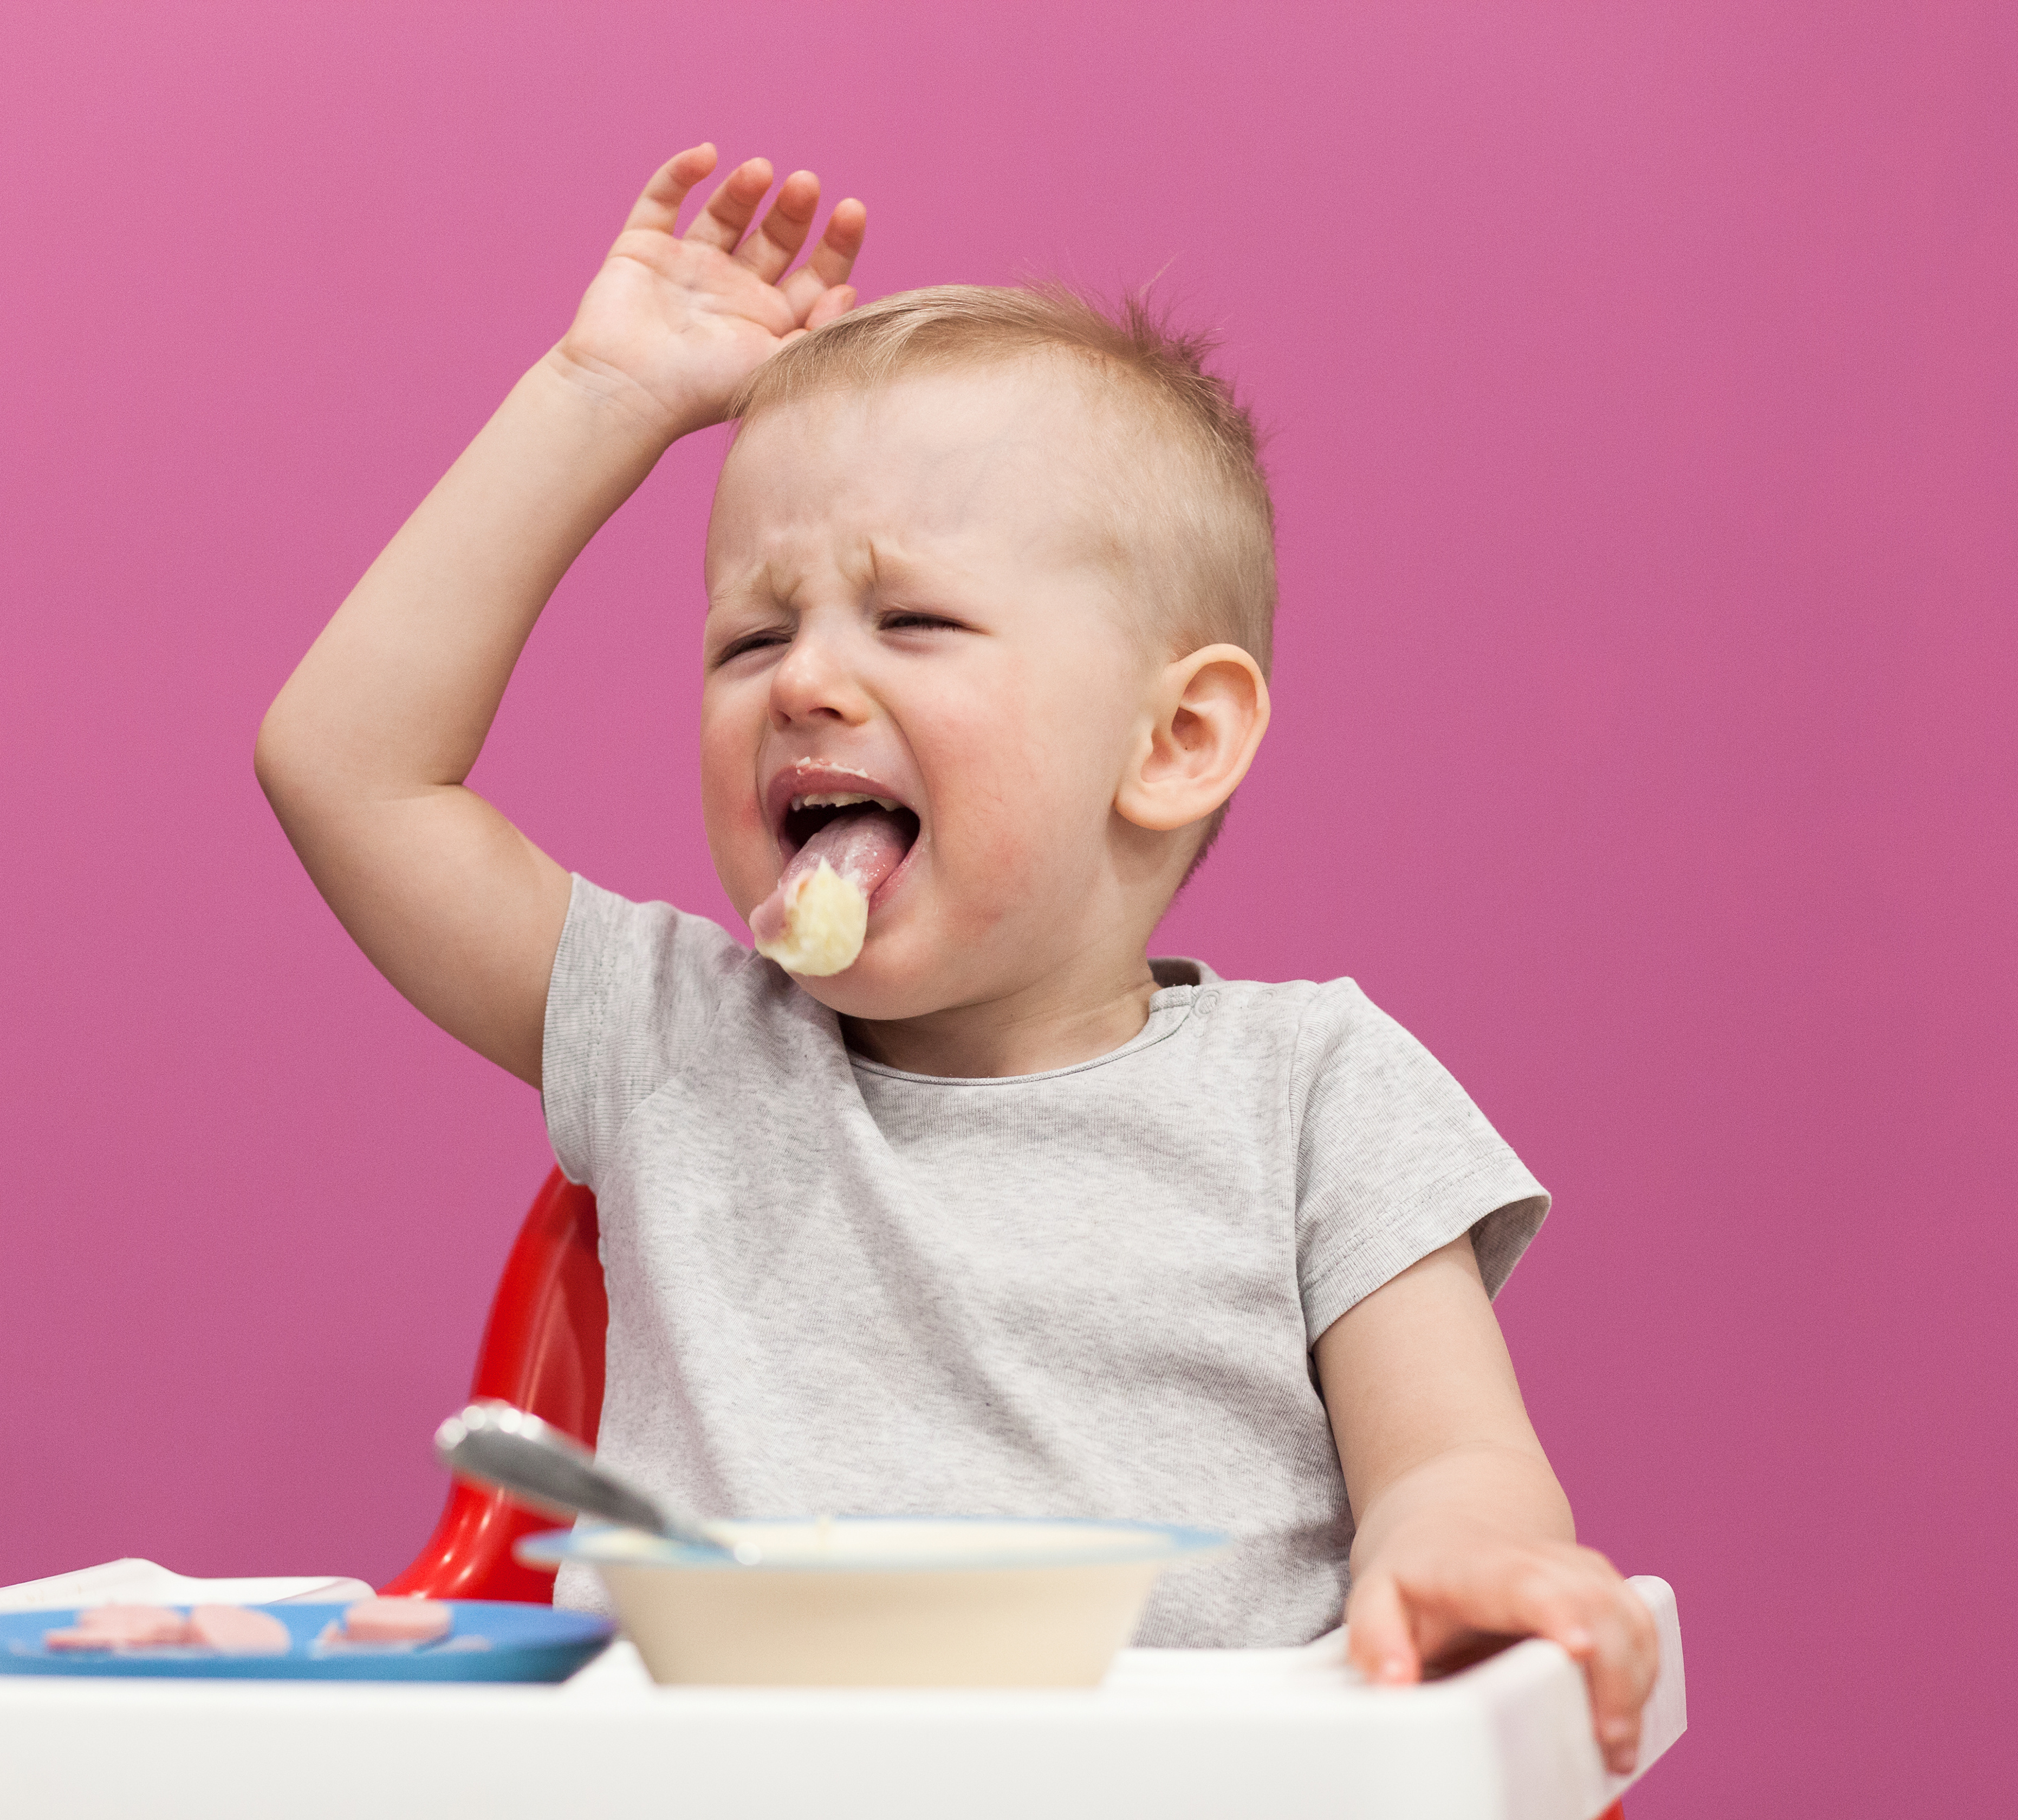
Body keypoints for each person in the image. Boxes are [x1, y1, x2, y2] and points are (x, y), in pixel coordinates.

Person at [256, 143, 1658, 1770]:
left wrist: (1462, 1556)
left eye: (910, 623)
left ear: (1178, 737)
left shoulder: (1320, 1091)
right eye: (751, 634)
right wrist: (601, 393)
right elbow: (343, 764)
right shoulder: (679, 1046)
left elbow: (1453, 1463)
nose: (805, 682)